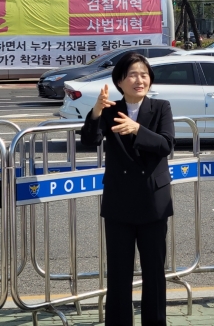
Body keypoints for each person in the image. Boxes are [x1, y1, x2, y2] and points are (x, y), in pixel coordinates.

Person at [80, 52, 175, 326]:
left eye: (144, 74)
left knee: (154, 273)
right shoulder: (109, 110)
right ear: (120, 81)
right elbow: (89, 140)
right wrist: (96, 112)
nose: (139, 80)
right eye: (133, 74)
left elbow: (166, 144)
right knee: (119, 273)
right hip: (119, 202)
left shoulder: (161, 107)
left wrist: (137, 129)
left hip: (153, 201)